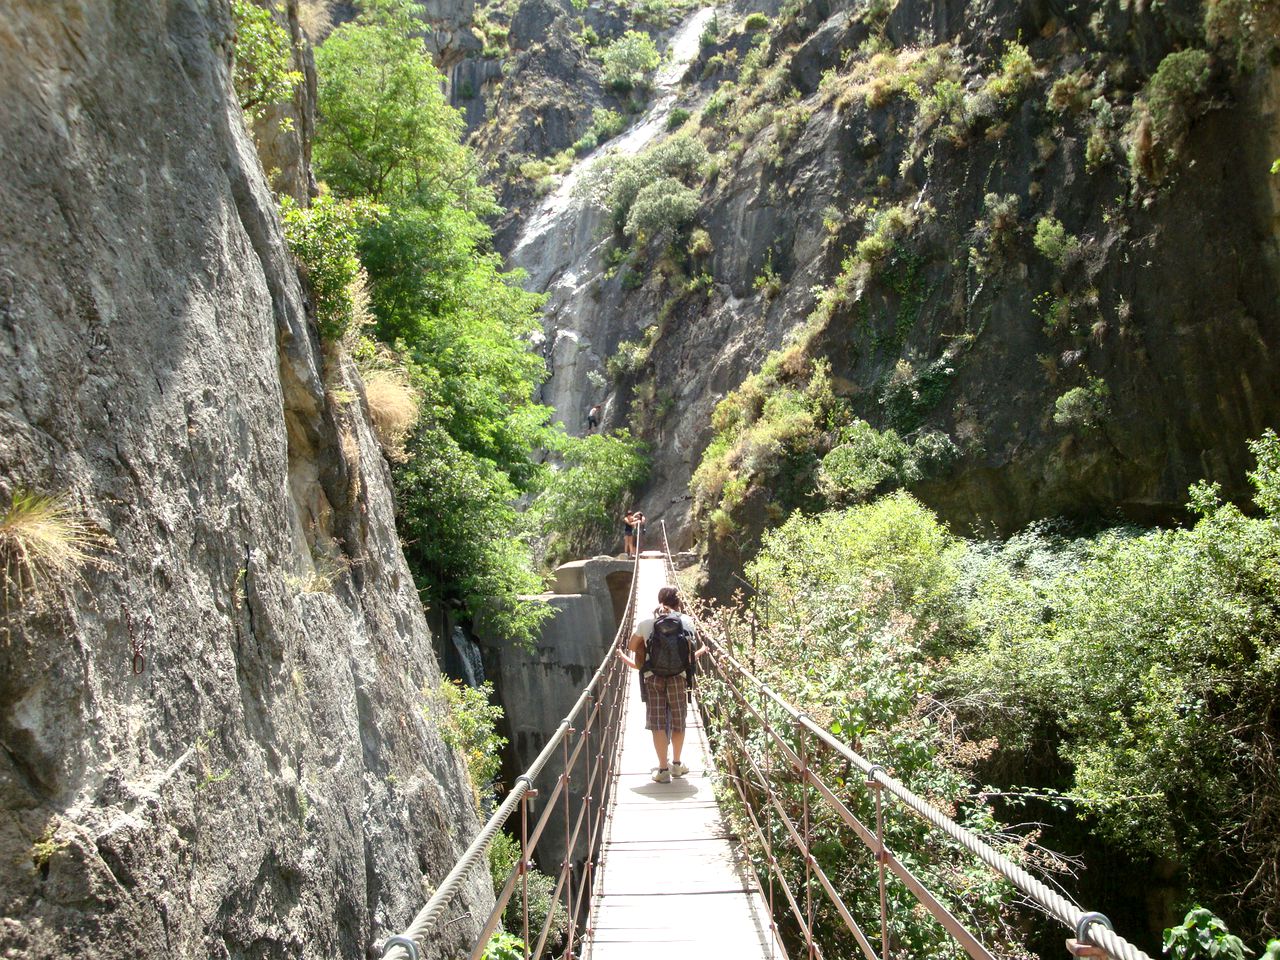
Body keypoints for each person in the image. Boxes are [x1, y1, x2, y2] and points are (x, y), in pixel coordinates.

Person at [617, 585, 708, 782]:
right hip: (679, 677)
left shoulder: (647, 622)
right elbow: (691, 652)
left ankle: (662, 770)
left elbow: (632, 646)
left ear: (660, 601)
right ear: (679, 603)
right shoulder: (687, 621)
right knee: (679, 721)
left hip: (653, 677)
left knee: (657, 723)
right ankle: (676, 765)